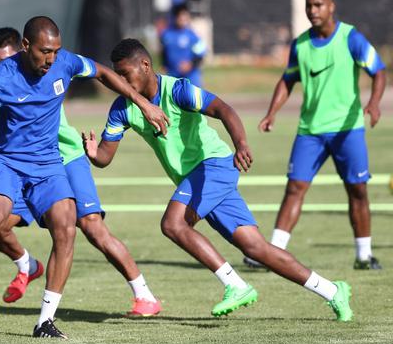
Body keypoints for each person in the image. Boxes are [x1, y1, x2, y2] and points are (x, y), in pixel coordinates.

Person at [0, 17, 169, 339]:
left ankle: (45, 321)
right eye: (44, 52)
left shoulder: (65, 62)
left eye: (55, 51)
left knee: (67, 225)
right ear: (26, 46)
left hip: (49, 163)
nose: (51, 59)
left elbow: (104, 73)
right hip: (8, 161)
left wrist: (142, 104)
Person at [83, 38, 353, 322]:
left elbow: (224, 109)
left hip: (214, 166)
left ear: (145, 65)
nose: (120, 81)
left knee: (173, 224)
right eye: (116, 76)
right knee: (256, 248)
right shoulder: (121, 108)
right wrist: (92, 153)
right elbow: (105, 156)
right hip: (196, 180)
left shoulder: (177, 91)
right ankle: (333, 290)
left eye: (125, 74)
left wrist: (242, 144)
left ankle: (235, 284)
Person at [244, 0, 386, 270]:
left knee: (357, 190)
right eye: (309, 5)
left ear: (332, 6)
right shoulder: (300, 44)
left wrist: (374, 103)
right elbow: (288, 80)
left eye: (318, 4)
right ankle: (272, 253)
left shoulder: (350, 37)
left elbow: (378, 72)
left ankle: (364, 256)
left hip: (348, 130)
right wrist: (272, 112)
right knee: (294, 188)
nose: (313, 10)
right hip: (310, 131)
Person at [160, 3, 206, 86]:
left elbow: (200, 55)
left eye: (185, 15)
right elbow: (164, 52)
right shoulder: (166, 34)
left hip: (190, 79)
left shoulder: (192, 35)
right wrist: (164, 65)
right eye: (180, 15)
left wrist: (190, 64)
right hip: (172, 78)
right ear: (175, 17)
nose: (182, 18)